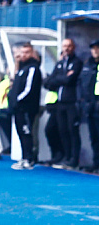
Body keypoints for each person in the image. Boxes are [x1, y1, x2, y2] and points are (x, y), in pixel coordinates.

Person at [45, 38, 82, 169]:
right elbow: (49, 81)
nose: (66, 48)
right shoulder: (60, 63)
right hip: (59, 103)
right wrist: (62, 77)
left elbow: (69, 80)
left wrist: (60, 78)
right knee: (62, 130)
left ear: (73, 47)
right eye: (64, 46)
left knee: (72, 130)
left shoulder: (77, 63)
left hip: (71, 103)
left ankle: (74, 159)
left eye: (69, 46)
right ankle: (66, 157)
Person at [8, 42, 42, 171]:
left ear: (32, 53)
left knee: (26, 132)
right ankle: (23, 158)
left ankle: (29, 159)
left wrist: (17, 99)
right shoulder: (22, 68)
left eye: (27, 52)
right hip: (18, 108)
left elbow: (29, 89)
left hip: (27, 107)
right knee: (20, 133)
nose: (23, 55)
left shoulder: (33, 68)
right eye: (22, 52)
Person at [78, 40, 99, 172]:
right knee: (94, 137)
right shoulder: (88, 64)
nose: (95, 51)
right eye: (93, 48)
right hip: (90, 106)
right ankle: (96, 163)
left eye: (97, 48)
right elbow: (81, 83)